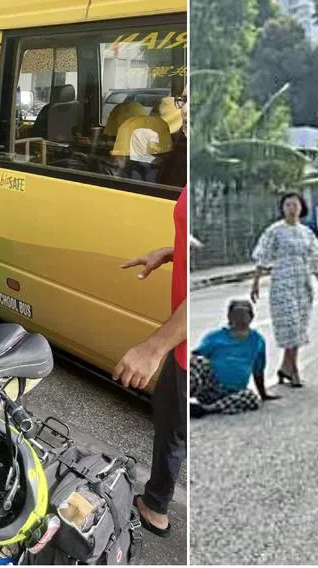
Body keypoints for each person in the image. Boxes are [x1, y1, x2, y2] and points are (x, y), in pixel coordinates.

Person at [112, 88, 189, 538]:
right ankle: (156, 502)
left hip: (188, 343)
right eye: (183, 100)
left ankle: (156, 505)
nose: (183, 109)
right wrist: (171, 252)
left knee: (175, 421)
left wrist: (155, 345)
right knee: (172, 419)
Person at [250, 192, 318, 388]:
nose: (292, 208)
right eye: (288, 205)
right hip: (282, 283)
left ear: (302, 207)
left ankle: (286, 367)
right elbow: (263, 256)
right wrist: (256, 282)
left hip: (302, 284)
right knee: (290, 325)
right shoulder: (275, 231)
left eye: (295, 204)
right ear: (283, 208)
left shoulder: (307, 233)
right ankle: (292, 369)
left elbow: (314, 260)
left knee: (300, 326)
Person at [190, 299, 277, 417]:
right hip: (210, 387)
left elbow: (258, 370)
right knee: (196, 362)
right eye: (236, 315)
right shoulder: (215, 337)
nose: (240, 318)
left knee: (251, 398)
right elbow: (194, 359)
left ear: (251, 317)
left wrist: (263, 394)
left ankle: (206, 409)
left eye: (244, 314)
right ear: (229, 318)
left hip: (233, 392)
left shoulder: (257, 340)